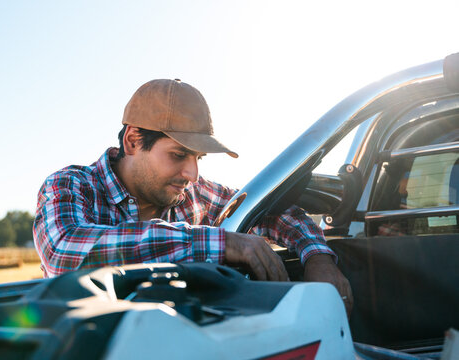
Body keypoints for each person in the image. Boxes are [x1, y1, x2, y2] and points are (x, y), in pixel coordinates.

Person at [33, 79, 353, 314]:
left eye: (198, 158)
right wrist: (222, 243)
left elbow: (272, 212)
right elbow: (65, 253)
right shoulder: (70, 186)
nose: (192, 174)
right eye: (178, 154)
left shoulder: (192, 194)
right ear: (132, 141)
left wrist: (318, 257)